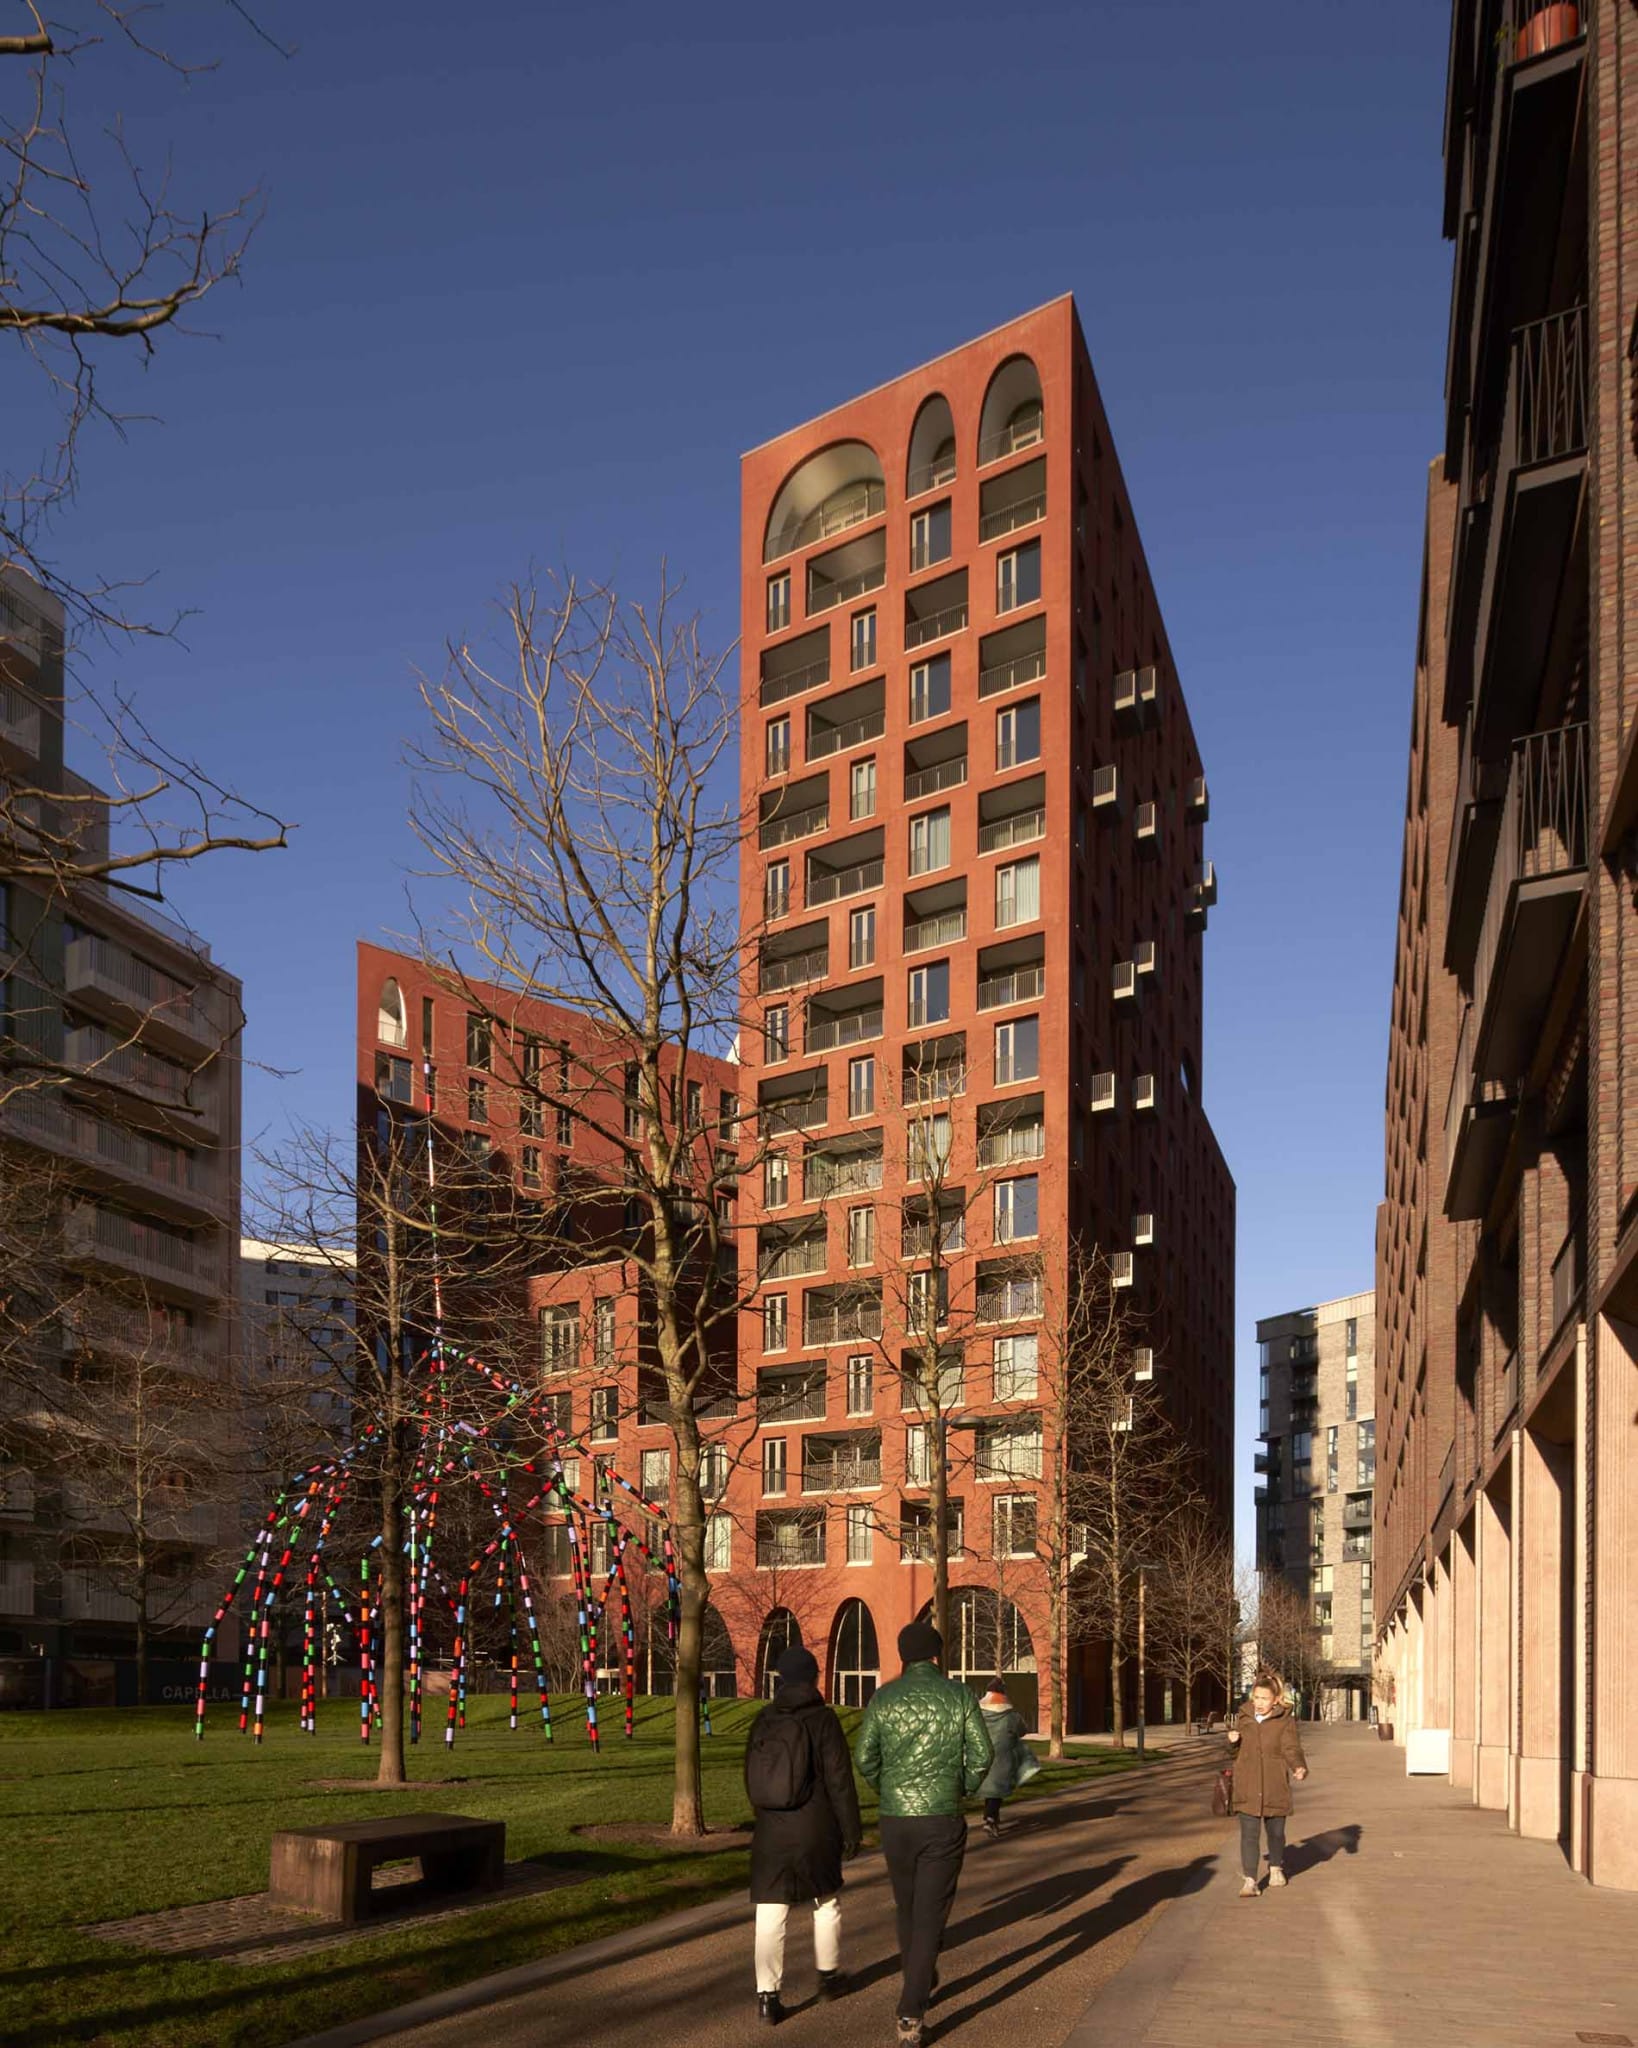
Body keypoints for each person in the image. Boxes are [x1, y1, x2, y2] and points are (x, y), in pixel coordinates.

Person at [854, 1621, 992, 2048]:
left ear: (903, 1656)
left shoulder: (883, 1697)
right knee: (931, 1913)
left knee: (907, 1905)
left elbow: (864, 1757)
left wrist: (887, 1789)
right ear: (936, 1655)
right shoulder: (959, 1695)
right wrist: (963, 1786)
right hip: (941, 1817)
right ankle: (911, 2012)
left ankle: (918, 1974)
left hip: (896, 1819)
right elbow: (983, 1753)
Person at [744, 1643, 863, 2026]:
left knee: (770, 1911)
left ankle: (767, 1996)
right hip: (815, 1826)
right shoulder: (824, 1720)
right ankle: (828, 1978)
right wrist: (851, 1830)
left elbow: (750, 1775)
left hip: (771, 1828)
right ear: (813, 1677)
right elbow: (839, 1780)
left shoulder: (763, 1719)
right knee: (825, 1902)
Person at [1226, 1670, 1308, 1896]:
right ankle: (1250, 1880)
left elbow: (1291, 1748)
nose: (1259, 1703)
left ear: (1275, 1700)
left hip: (1274, 1785)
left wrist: (1298, 1766)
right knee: (1249, 1835)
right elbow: (1234, 1753)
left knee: (1276, 1833)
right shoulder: (1244, 1717)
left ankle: (1275, 1868)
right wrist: (1232, 1743)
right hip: (1247, 1784)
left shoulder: (1285, 1720)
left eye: (1264, 1698)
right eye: (1256, 1697)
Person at [976, 1679, 1029, 1838]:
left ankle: (991, 1817)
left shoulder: (978, 1714)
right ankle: (990, 1819)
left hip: (981, 1755)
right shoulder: (1011, 1716)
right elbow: (1022, 1730)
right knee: (996, 1789)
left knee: (990, 1788)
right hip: (1003, 1757)